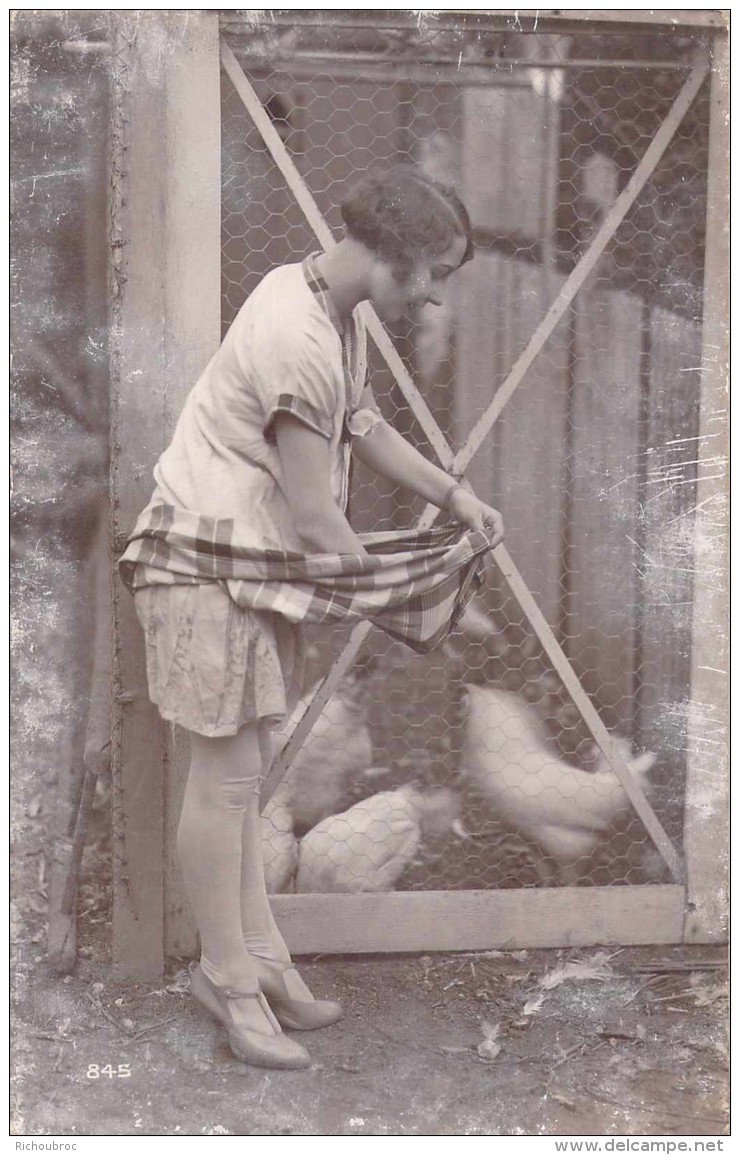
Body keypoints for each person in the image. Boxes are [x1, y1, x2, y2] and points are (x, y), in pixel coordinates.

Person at [119, 165, 504, 1070]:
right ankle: (229, 981)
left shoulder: (323, 302)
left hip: (248, 565)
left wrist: (454, 498)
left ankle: (259, 962)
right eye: (436, 273)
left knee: (244, 780)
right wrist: (409, 587)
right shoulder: (297, 334)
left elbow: (363, 428)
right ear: (396, 256)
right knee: (223, 781)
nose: (438, 294)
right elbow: (316, 518)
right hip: (204, 566)